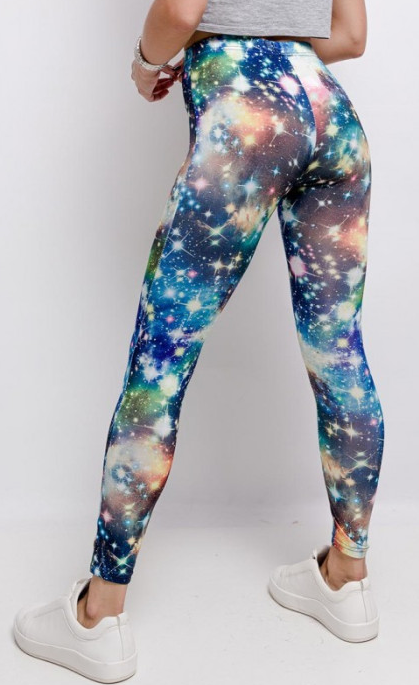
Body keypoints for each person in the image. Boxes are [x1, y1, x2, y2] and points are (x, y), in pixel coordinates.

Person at [13, 0, 385, 680]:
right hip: (332, 116)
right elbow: (351, 36)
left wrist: (147, 61)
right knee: (339, 353)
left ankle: (98, 615)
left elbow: (179, 10)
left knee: (160, 363)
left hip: (245, 117)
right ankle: (345, 575)